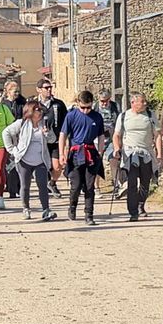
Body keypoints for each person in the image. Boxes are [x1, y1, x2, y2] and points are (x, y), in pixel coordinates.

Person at [3, 102, 58, 221]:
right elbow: (6, 133)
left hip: (40, 160)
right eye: (38, 110)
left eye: (41, 110)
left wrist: (47, 133)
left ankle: (46, 210)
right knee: (25, 186)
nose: (40, 112)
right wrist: (12, 150)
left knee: (42, 185)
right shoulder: (21, 123)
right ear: (30, 111)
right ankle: (26, 208)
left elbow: (53, 139)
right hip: (24, 160)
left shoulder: (45, 123)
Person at [113, 92, 162, 221]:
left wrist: (159, 153)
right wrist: (117, 148)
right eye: (142, 101)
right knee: (132, 183)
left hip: (147, 153)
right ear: (133, 103)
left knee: (146, 182)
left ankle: (141, 204)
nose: (145, 103)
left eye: (145, 101)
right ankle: (133, 211)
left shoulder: (150, 115)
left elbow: (157, 135)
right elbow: (116, 135)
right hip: (130, 154)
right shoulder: (124, 116)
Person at [62, 90, 107, 225]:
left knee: (89, 185)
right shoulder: (71, 116)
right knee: (75, 185)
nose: (86, 110)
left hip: (91, 153)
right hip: (75, 153)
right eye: (83, 107)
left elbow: (101, 136)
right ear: (78, 104)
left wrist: (100, 152)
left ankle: (89, 214)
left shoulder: (97, 117)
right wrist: (62, 154)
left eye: (89, 107)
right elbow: (63, 135)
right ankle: (72, 206)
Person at [34, 79, 66, 196]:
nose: (49, 90)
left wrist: (64, 137)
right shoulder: (33, 104)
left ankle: (52, 183)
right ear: (39, 90)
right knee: (41, 166)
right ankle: (43, 187)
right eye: (46, 88)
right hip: (39, 140)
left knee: (58, 166)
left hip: (55, 140)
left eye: (50, 87)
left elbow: (65, 122)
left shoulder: (58, 104)